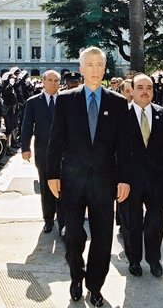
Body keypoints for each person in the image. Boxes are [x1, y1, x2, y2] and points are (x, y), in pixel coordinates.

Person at [47, 47, 130, 307]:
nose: (95, 70)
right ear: (81, 69)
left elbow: (124, 145)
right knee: (73, 236)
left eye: (99, 65)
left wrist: (124, 179)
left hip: (104, 183)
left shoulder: (117, 103)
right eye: (89, 65)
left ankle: (95, 286)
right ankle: (76, 276)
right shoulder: (66, 100)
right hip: (71, 181)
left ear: (105, 69)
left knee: (103, 239)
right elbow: (55, 141)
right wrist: (51, 175)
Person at [119, 73, 163, 278]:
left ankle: (154, 260)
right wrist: (118, 179)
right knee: (131, 222)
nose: (145, 91)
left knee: (155, 221)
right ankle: (134, 260)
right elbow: (115, 151)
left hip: (156, 180)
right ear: (131, 90)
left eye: (149, 87)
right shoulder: (121, 115)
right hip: (129, 181)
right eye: (140, 87)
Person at [21, 70, 63, 234]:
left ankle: (63, 220)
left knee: (63, 186)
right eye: (50, 80)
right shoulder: (33, 102)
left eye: (56, 80)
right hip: (43, 150)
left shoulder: (66, 100)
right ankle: (48, 220)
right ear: (43, 82)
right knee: (46, 187)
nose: (53, 83)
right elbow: (26, 126)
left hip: (63, 152)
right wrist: (25, 148)